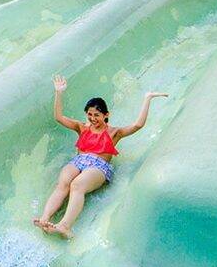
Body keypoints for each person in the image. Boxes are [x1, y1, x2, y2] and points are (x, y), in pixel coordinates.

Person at [33, 75, 168, 239]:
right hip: (78, 161)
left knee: (77, 185)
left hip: (98, 167)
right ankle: (45, 218)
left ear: (106, 115)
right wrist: (58, 92)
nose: (92, 118)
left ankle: (65, 226)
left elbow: (138, 125)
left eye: (96, 115)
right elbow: (59, 117)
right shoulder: (82, 127)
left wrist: (148, 98)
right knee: (64, 182)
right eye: (89, 114)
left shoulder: (114, 132)